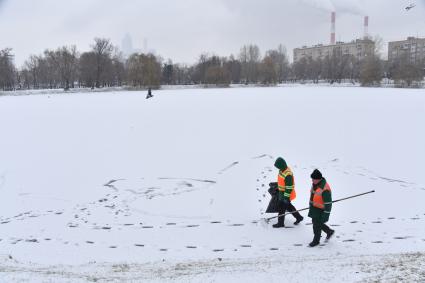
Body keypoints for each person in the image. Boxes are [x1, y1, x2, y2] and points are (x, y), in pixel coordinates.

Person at [272, 157, 304, 228]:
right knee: (289, 207)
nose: (277, 168)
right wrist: (278, 187)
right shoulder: (282, 170)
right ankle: (299, 217)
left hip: (287, 194)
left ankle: (280, 223)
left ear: (281, 165)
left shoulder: (288, 174)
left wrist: (286, 198)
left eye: (278, 166)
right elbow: (282, 180)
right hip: (282, 193)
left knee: (281, 209)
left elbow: (289, 187)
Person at [308, 169, 335, 247]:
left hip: (321, 209)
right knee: (316, 222)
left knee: (316, 224)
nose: (312, 180)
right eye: (312, 179)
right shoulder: (315, 184)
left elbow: (328, 204)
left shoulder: (325, 189)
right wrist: (311, 204)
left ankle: (316, 240)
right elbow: (313, 195)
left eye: (313, 179)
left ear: (318, 179)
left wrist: (326, 215)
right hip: (315, 207)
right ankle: (329, 231)